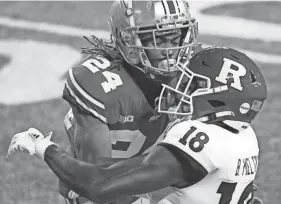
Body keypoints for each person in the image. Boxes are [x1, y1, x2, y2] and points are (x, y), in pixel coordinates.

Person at [8, 46, 267, 204]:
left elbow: (99, 186)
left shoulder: (200, 140)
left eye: (194, 85)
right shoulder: (245, 137)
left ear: (219, 98)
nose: (181, 89)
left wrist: (43, 147)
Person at [60, 0, 198, 203]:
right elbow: (95, 180)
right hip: (101, 186)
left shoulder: (196, 71)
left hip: (157, 177)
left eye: (176, 36)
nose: (171, 50)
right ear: (128, 39)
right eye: (158, 39)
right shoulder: (100, 85)